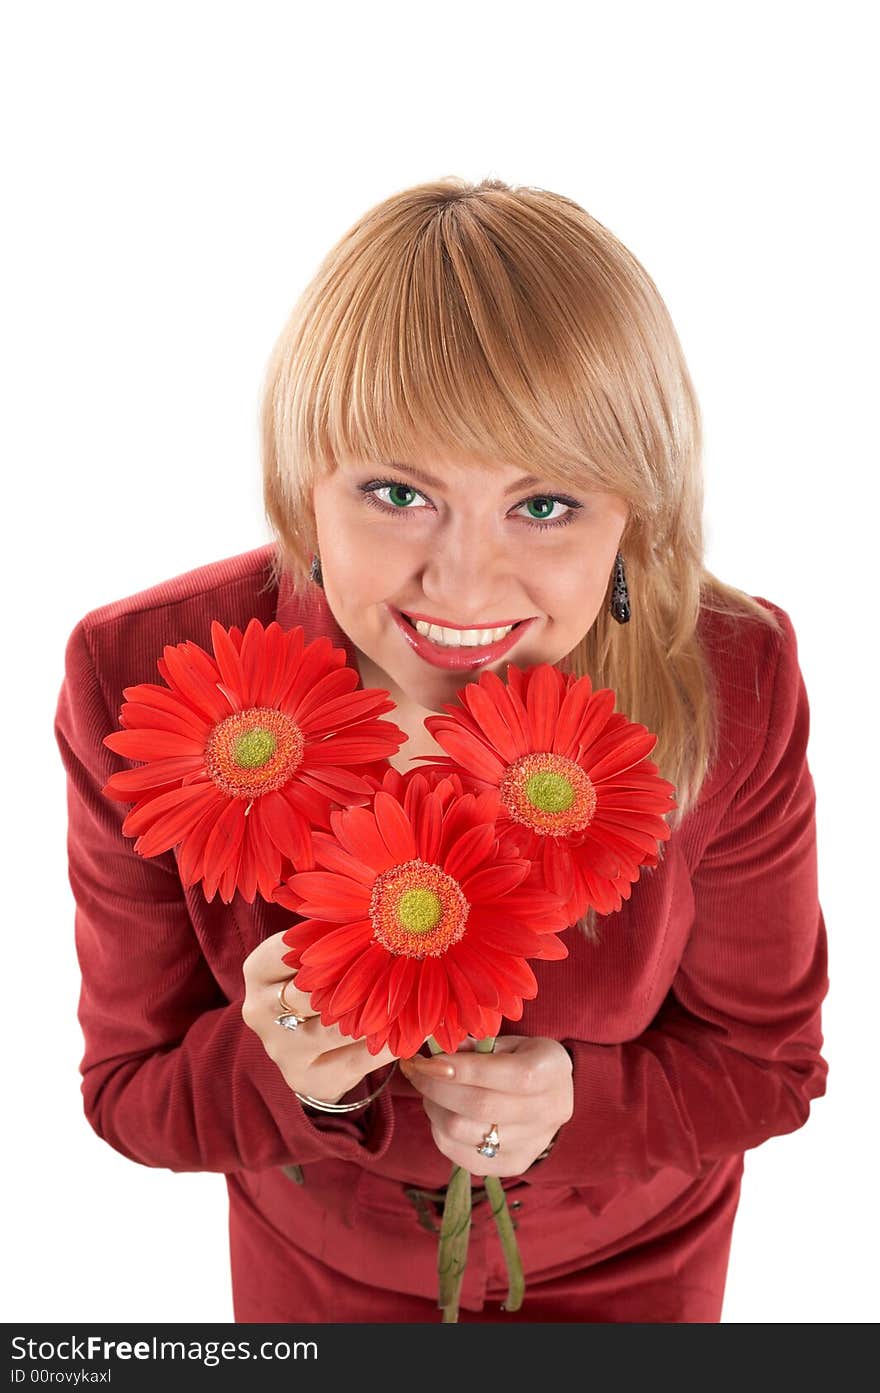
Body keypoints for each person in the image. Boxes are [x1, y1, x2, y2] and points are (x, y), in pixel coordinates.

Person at [54, 176, 828, 1323]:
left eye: (547, 504)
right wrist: (270, 1073)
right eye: (396, 490)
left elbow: (769, 1068)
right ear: (299, 485)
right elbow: (130, 1094)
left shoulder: (732, 675)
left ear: (639, 516)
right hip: (316, 1271)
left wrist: (581, 1099)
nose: (462, 587)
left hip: (638, 1260)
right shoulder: (142, 676)